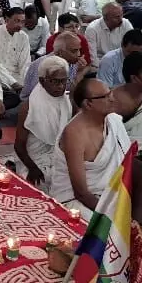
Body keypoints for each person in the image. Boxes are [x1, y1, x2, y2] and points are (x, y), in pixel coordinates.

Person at [50, 78, 130, 219]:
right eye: (105, 96)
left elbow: (128, 162)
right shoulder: (74, 133)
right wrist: (112, 215)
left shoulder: (114, 121)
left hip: (112, 194)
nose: (112, 99)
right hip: (75, 200)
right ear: (88, 103)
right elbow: (81, 193)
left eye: (110, 93)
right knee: (107, 229)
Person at [15, 55, 73, 188]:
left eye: (64, 81)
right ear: (42, 81)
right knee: (39, 187)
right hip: (34, 160)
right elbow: (19, 146)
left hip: (59, 157)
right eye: (55, 81)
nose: (61, 86)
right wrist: (32, 169)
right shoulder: (28, 107)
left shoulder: (68, 102)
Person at [0, 7, 31, 92]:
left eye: (22, 22)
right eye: (17, 21)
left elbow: (25, 64)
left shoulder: (24, 37)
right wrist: (13, 83)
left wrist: (24, 84)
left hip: (17, 77)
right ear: (7, 19)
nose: (20, 25)